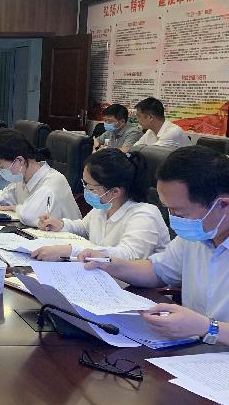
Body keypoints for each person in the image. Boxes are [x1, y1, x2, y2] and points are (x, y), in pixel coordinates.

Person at [81, 146, 229, 345]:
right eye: (168, 209)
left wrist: (207, 328)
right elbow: (157, 271)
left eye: (180, 212)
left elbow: (204, 327)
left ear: (223, 205)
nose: (174, 220)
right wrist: (109, 264)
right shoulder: (197, 236)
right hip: (191, 348)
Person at [31, 149, 170, 261]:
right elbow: (84, 227)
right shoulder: (105, 206)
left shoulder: (145, 216)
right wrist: (61, 225)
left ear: (115, 191)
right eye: (84, 184)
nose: (86, 190)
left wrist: (71, 251)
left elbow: (128, 256)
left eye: (90, 187)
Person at [0, 128, 81, 227]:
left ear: (20, 160)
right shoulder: (23, 177)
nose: (0, 171)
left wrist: (16, 208)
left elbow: (29, 216)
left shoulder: (52, 182)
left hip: (66, 236)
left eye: (1, 167)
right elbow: (7, 195)